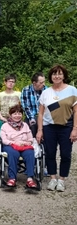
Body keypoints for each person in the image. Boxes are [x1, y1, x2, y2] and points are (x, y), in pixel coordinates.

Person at [36, 64, 77, 192]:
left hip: (66, 127)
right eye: (54, 74)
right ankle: (53, 178)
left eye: (59, 73)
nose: (57, 76)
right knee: (50, 153)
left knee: (65, 154)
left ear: (64, 75)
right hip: (49, 127)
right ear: (51, 76)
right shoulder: (46, 92)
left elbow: (76, 111)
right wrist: (39, 130)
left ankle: (62, 180)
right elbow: (41, 113)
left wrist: (75, 128)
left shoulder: (72, 90)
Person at [0, 104, 36, 188]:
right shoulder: (5, 126)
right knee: (13, 154)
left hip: (24, 145)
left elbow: (31, 139)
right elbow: (4, 140)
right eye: (15, 114)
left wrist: (27, 143)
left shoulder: (25, 125)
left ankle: (30, 179)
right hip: (10, 145)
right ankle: (12, 178)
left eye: (19, 113)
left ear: (22, 115)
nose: (17, 116)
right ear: (10, 115)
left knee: (30, 153)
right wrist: (14, 143)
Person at [20, 72, 47, 137]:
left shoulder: (46, 90)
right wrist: (32, 118)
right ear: (34, 83)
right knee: (31, 126)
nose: (44, 84)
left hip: (44, 116)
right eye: (41, 83)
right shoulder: (26, 90)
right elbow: (26, 107)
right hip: (31, 116)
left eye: (44, 82)